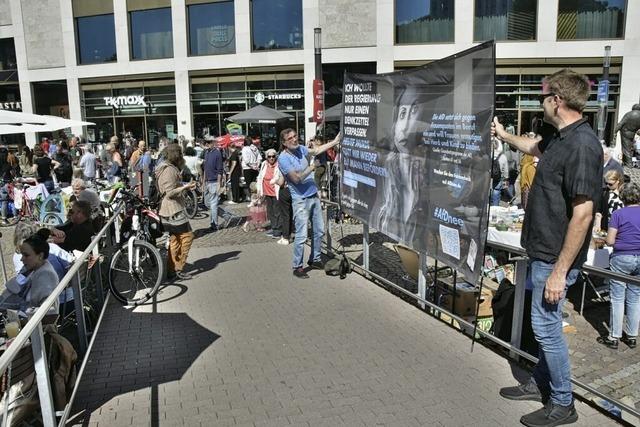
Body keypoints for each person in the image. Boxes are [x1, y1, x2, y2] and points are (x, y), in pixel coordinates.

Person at [492, 69, 602, 427]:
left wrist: (559, 271)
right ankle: (540, 383)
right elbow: (532, 147)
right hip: (541, 251)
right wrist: (504, 134)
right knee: (543, 325)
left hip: (554, 258)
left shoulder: (583, 145)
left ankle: (562, 402)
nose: (540, 104)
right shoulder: (559, 138)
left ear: (557, 100)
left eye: (542, 97)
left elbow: (584, 215)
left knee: (546, 327)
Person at [278, 128, 340, 278]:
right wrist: (312, 167)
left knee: (318, 230)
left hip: (313, 195)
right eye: (290, 138)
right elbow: (296, 179)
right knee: (302, 234)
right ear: (284, 143)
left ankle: (315, 259)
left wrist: (335, 142)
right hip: (300, 199)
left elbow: (316, 150)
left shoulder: (300, 149)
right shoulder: (283, 158)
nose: (294, 139)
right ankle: (297, 266)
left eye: (295, 136)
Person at [599, 182, 640, 350]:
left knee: (617, 297)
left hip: (622, 257)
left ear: (623, 198)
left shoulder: (618, 214)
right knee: (635, 297)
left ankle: (614, 335)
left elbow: (610, 240)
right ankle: (631, 335)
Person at [155, 144, 196, 281]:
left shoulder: (164, 167)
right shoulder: (169, 170)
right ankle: (178, 268)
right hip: (173, 210)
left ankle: (172, 270)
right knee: (187, 237)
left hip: (168, 210)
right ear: (176, 155)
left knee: (175, 240)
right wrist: (186, 186)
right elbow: (170, 193)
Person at [2, 229, 60, 315]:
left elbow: (50, 312)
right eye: (22, 255)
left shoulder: (46, 275)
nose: (21, 259)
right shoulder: (30, 268)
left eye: (26, 255)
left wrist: (19, 314)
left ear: (40, 255)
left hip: (32, 325)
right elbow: (13, 289)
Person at [257, 148, 283, 239]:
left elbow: (281, 177)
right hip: (267, 191)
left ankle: (278, 230)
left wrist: (274, 180)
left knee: (277, 211)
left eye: (273, 156)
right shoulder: (264, 164)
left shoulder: (279, 165)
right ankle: (273, 227)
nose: (271, 158)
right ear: (266, 157)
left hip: (276, 191)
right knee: (270, 211)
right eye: (269, 156)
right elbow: (260, 177)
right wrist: (259, 190)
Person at [202, 139, 224, 231]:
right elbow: (205, 169)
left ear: (213, 143)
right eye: (206, 142)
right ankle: (226, 215)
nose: (207, 144)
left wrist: (219, 183)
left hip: (214, 181)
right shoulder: (206, 153)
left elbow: (220, 169)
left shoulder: (217, 153)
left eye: (209, 142)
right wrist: (203, 182)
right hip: (207, 181)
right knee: (207, 203)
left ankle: (214, 224)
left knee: (213, 204)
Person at [491, 138, 511, 206]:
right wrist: (506, 179)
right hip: (498, 179)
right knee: (496, 194)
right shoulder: (503, 156)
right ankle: (495, 210)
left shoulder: (487, 155)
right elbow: (506, 171)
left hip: (488, 179)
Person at [241, 137, 261, 205]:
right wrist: (257, 166)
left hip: (248, 168)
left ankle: (253, 201)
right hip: (255, 168)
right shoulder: (255, 148)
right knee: (255, 185)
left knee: (250, 186)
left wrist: (252, 166)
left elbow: (246, 161)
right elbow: (259, 158)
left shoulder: (244, 149)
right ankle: (257, 200)